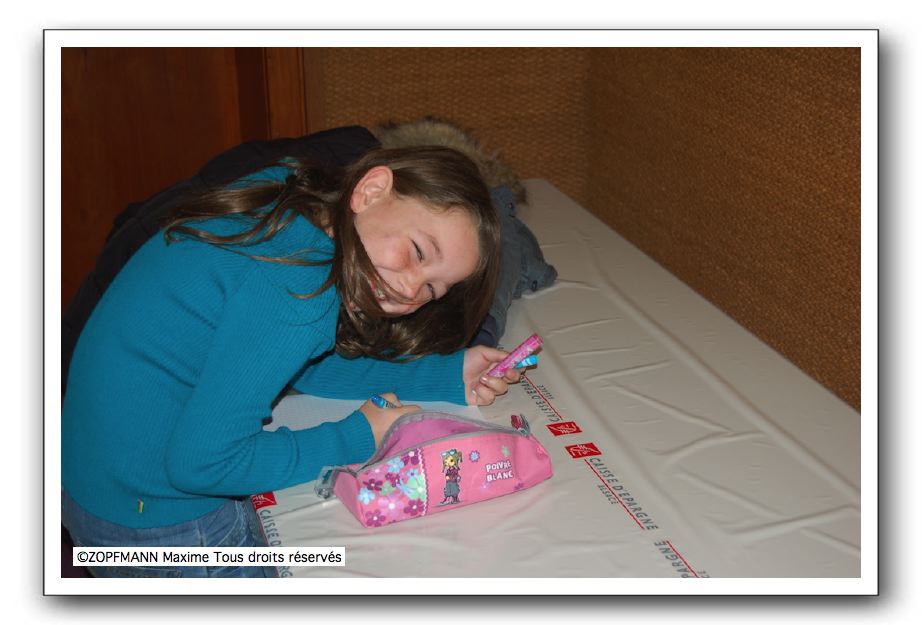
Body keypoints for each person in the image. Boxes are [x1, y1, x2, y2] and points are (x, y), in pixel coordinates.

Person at [61, 146, 521, 577]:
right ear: (370, 191)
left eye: (432, 289)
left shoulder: (290, 199)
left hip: (92, 486)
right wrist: (356, 437)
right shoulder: (297, 293)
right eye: (418, 252)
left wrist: (444, 373)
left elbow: (302, 363)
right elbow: (205, 466)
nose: (410, 288)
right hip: (158, 525)